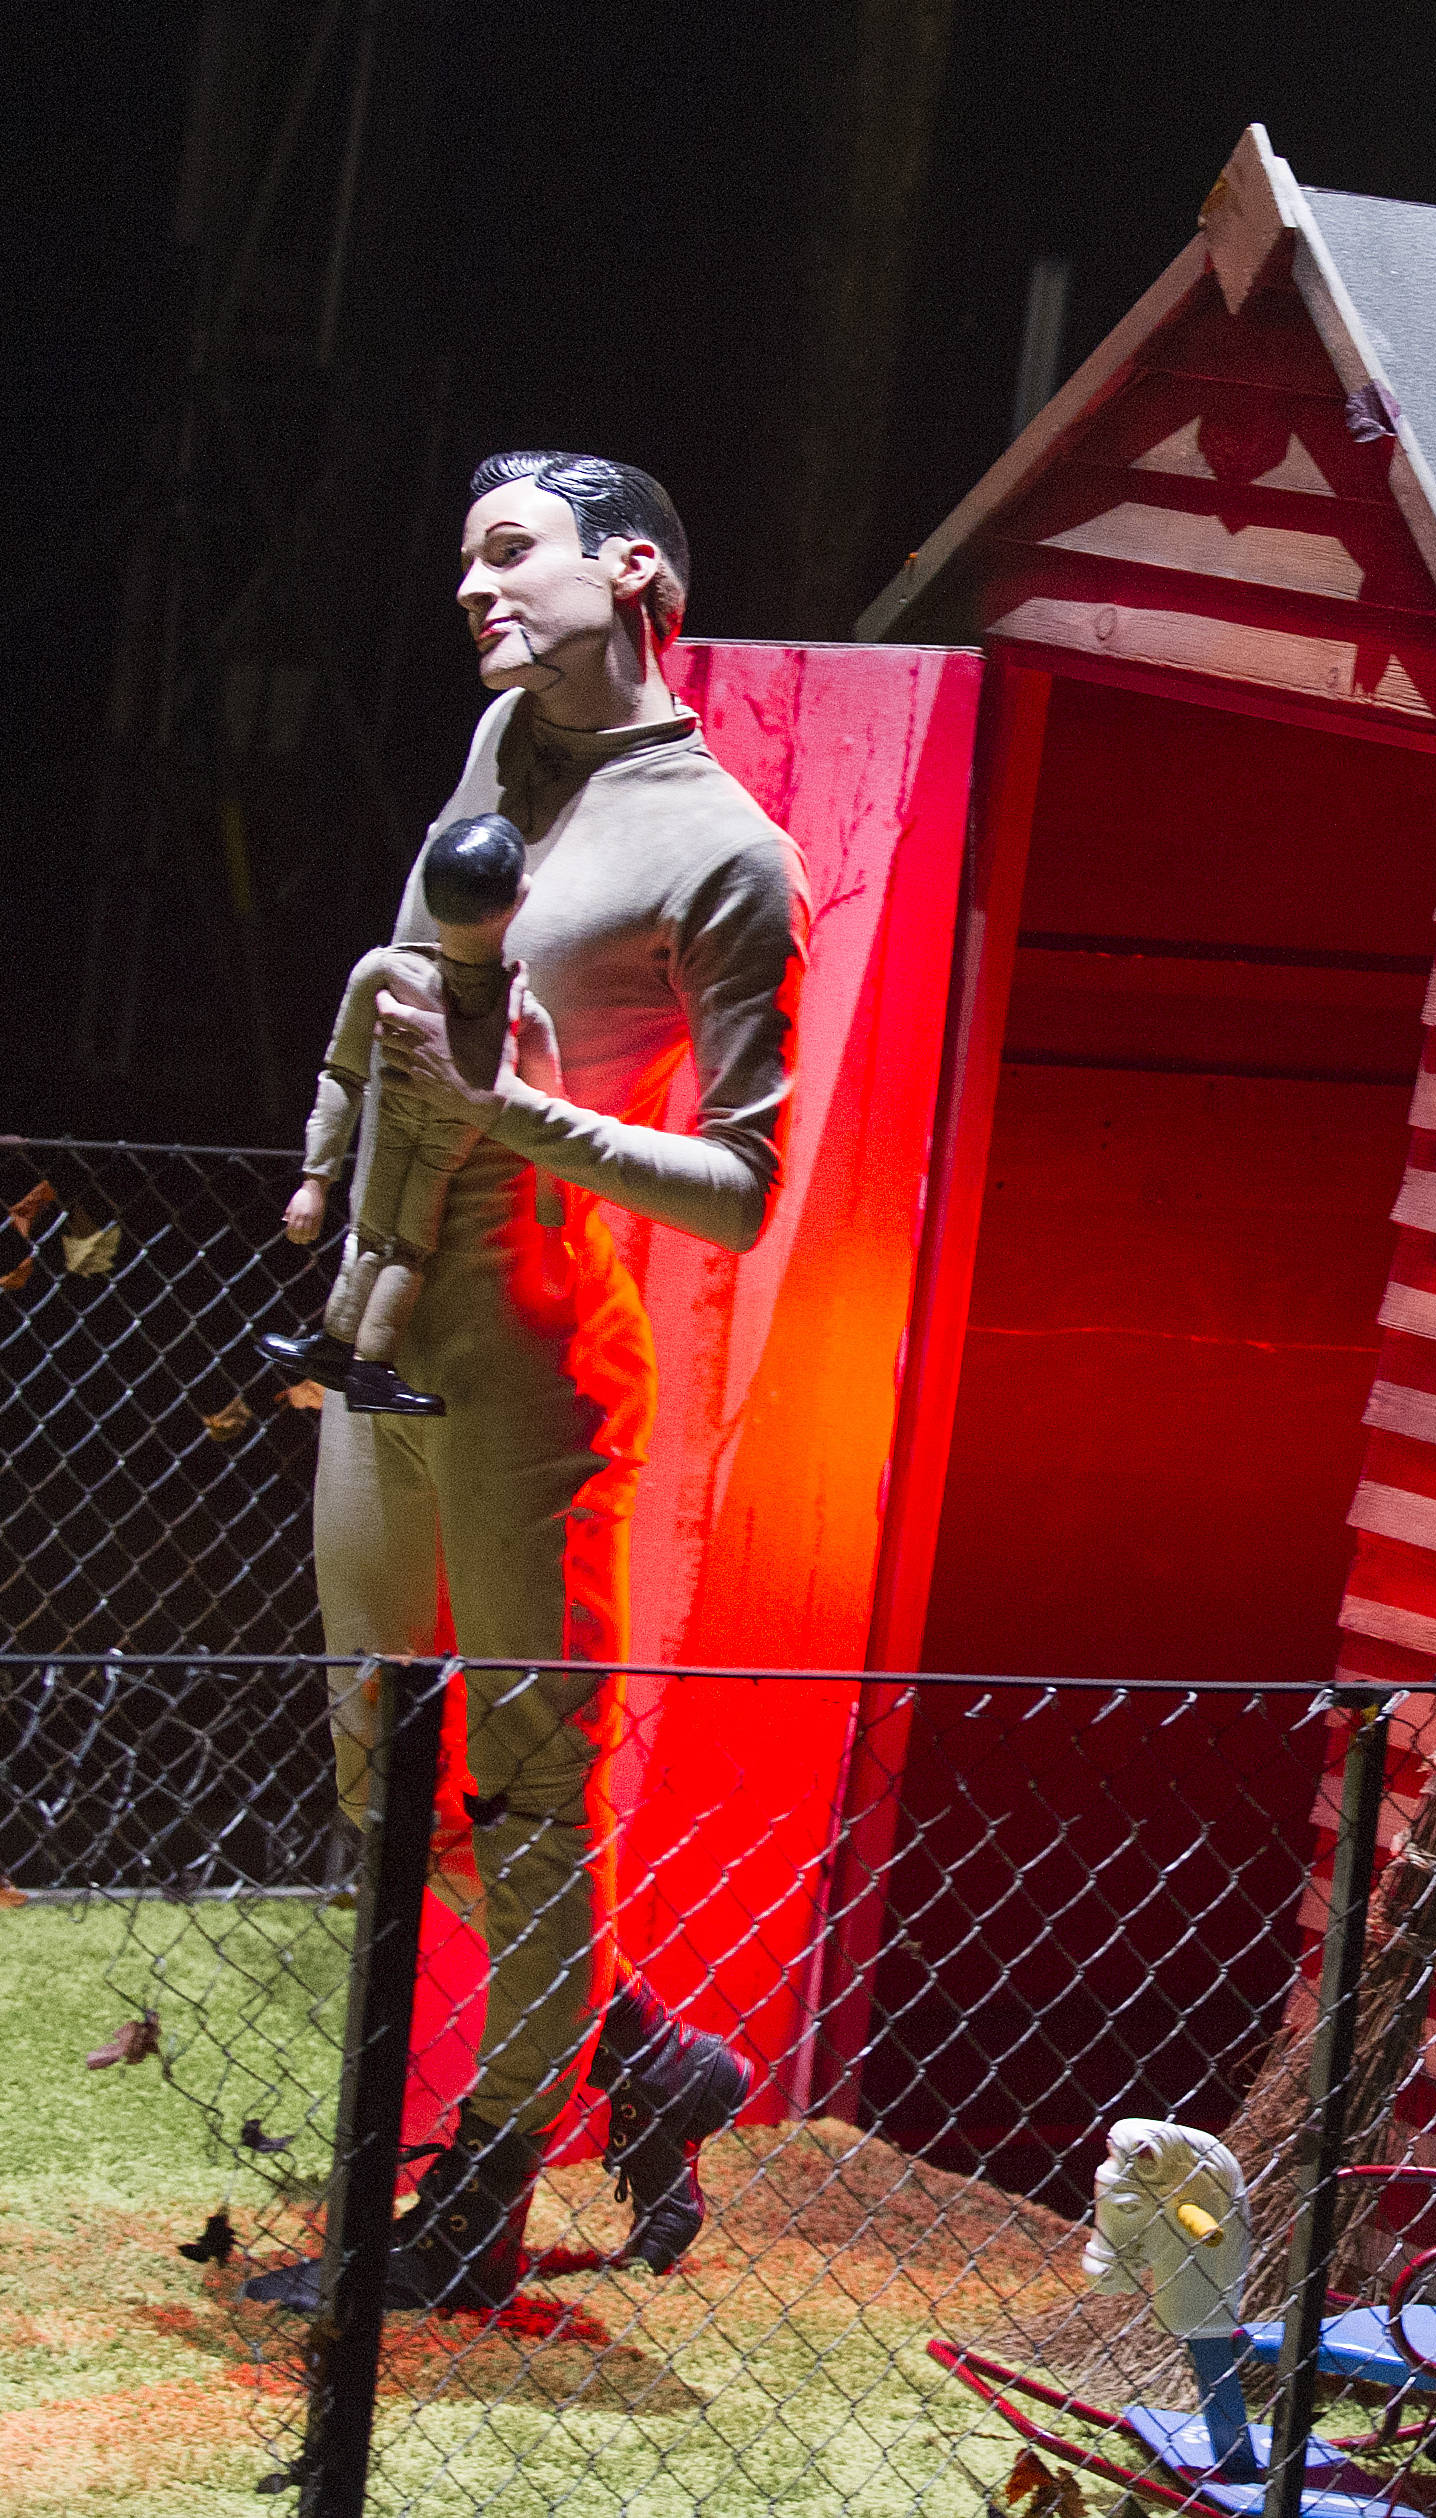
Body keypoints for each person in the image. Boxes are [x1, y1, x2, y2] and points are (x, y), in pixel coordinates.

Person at [247, 452, 809, 2316]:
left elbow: (741, 1184)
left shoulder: (726, 846)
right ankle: (645, 2052)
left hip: (533, 1360)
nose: (473, 591)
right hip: (381, 1334)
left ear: (630, 565)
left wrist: (516, 1113)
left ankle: (479, 2203)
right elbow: (405, 980)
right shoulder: (495, 763)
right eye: (465, 562)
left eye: (510, 554)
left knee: (527, 1788)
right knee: (373, 1766)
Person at [257, 812, 565, 1417]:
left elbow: (548, 1127)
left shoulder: (513, 1014)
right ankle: (339, 1348)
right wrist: (315, 1179)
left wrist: (553, 1233)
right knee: (381, 1240)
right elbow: (549, 1134)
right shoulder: (394, 975)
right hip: (408, 1133)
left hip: (440, 1143)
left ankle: (369, 1363)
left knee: (400, 1245)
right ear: (518, 898)